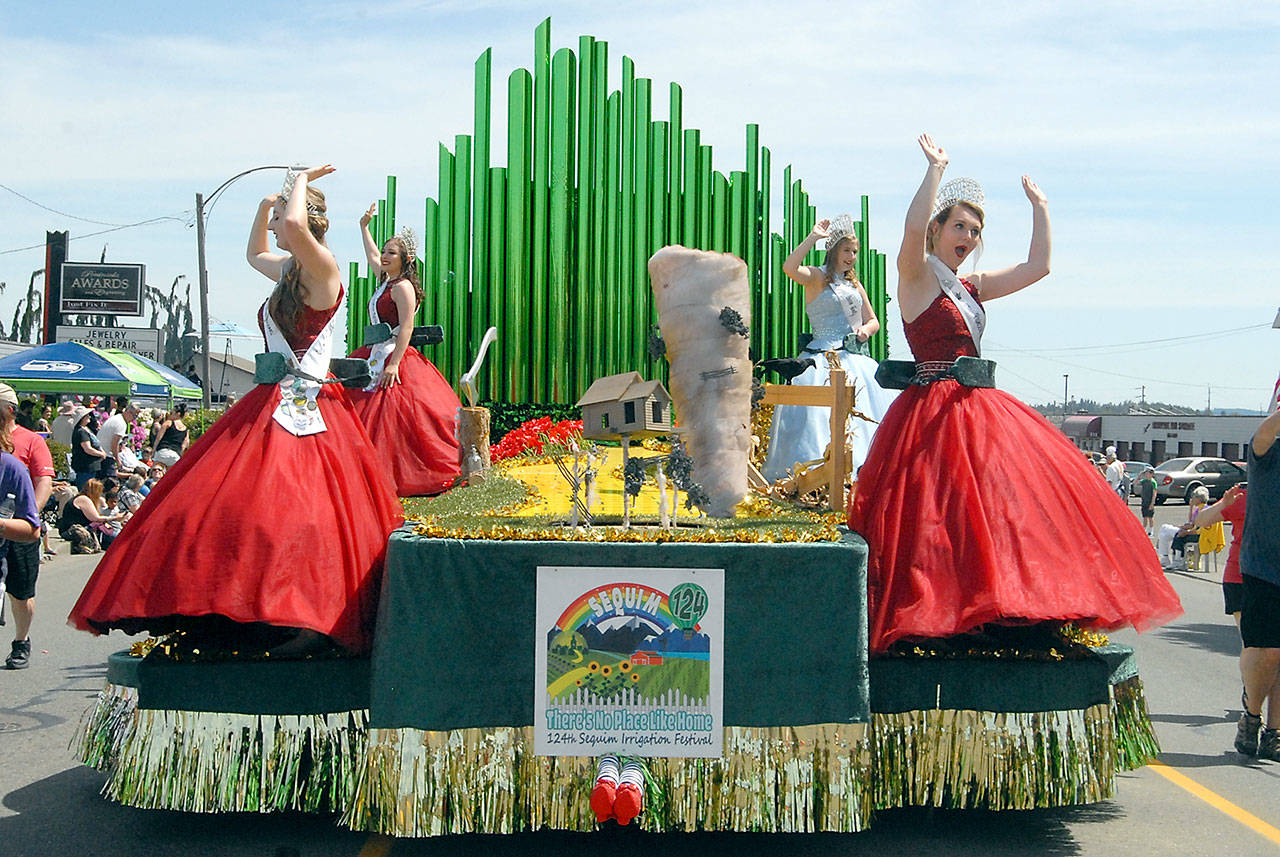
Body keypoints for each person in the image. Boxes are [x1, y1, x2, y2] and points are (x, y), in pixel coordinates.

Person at [847, 134, 1181, 652]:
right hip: (930, 412)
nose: (968, 235)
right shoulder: (914, 276)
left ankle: (999, 606)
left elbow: (1037, 267)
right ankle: (939, 612)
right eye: (959, 226)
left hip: (977, 409)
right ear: (938, 229)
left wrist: (1041, 208)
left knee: (995, 511)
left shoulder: (973, 286)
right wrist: (935, 171)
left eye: (975, 230)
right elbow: (910, 232)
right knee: (933, 515)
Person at [70, 165, 404, 656]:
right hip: (272, 401)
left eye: (283, 218)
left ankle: (304, 618)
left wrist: (298, 180)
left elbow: (289, 231)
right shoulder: (292, 271)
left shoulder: (325, 268)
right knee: (228, 507)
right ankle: (231, 605)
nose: (276, 227)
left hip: (307, 408)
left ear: (304, 220)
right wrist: (263, 206)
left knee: (295, 513)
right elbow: (255, 254)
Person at [761, 214, 897, 483]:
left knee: (861, 419)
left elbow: (873, 320)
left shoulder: (854, 284)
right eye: (847, 250)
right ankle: (812, 476)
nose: (852, 256)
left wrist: (865, 331)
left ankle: (860, 473)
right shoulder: (816, 277)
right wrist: (812, 237)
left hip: (854, 358)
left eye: (855, 252)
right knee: (814, 419)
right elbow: (789, 267)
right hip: (819, 357)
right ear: (834, 250)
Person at [344, 202, 461, 496]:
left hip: (395, 355)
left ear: (405, 259)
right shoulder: (387, 281)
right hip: (373, 353)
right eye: (384, 251)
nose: (383, 256)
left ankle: (400, 473)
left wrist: (394, 364)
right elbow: (371, 256)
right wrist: (363, 227)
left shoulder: (403, 287)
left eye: (390, 252)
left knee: (396, 416)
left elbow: (406, 326)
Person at [1235, 408, 1280, 759]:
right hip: (1264, 567)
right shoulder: (1267, 453)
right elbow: (1261, 437)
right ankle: (1251, 714)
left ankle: (1274, 732)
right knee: (1265, 652)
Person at [0, 383, 53, 669]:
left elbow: (44, 479)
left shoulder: (31, 440)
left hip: (18, 523)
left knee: (20, 592)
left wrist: (30, 512)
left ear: (9, 410)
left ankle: (21, 640)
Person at [96, 399, 137, 481]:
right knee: (111, 482)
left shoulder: (116, 418)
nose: (134, 419)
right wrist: (118, 461)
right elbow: (114, 444)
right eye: (134, 416)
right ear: (128, 411)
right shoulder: (121, 424)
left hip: (101, 454)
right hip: (106, 456)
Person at [1170, 486, 1210, 571]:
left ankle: (1179, 560)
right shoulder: (1199, 508)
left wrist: (1187, 532)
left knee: (1179, 537)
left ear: (1199, 499)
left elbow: (1199, 530)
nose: (1192, 499)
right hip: (1200, 533)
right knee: (1180, 533)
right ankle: (1178, 560)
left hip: (1203, 536)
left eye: (1194, 497)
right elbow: (1193, 523)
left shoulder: (1204, 510)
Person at [69, 408, 106, 489]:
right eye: (86, 416)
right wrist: (101, 454)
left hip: (92, 466)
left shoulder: (86, 429)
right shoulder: (81, 432)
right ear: (82, 418)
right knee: (86, 489)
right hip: (85, 466)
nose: (89, 417)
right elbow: (87, 449)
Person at [152, 402, 190, 467]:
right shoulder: (185, 429)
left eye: (172, 413)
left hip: (163, 451)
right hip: (175, 455)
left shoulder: (168, 423)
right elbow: (185, 445)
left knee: (156, 471)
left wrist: (154, 450)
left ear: (178, 414)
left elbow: (159, 437)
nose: (169, 415)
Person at [1138, 465, 1157, 536]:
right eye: (1146, 473)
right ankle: (1144, 530)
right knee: (1145, 516)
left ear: (1152, 474)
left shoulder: (1153, 482)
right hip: (1144, 501)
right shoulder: (1144, 481)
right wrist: (1140, 475)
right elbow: (1136, 482)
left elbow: (1154, 493)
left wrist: (1152, 503)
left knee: (1150, 517)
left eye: (1148, 473)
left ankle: (1151, 530)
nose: (1147, 474)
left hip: (1150, 501)